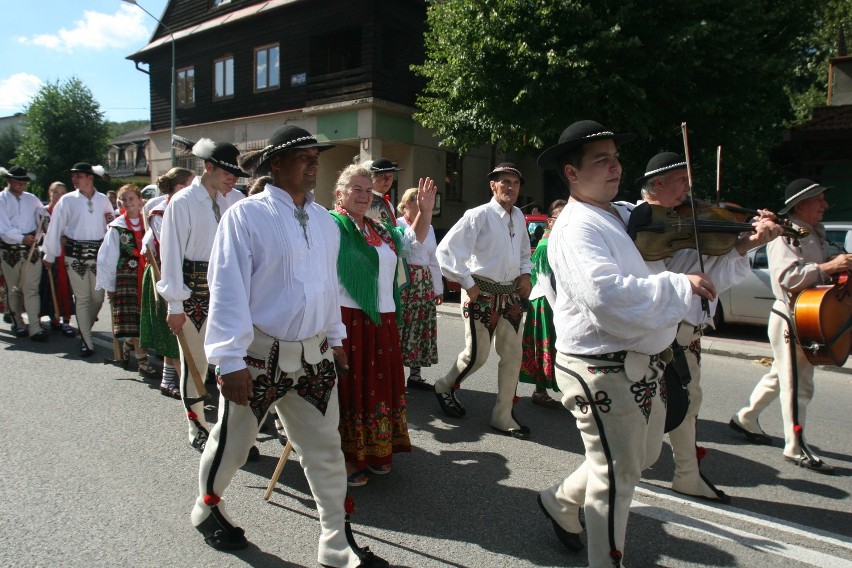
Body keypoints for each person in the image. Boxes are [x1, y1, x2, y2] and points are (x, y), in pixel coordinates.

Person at [196, 124, 390, 567]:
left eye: (315, 155)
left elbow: (327, 285)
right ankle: (207, 506)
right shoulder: (246, 216)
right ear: (275, 164)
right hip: (257, 358)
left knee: (325, 450)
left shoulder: (324, 220)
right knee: (234, 444)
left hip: (314, 354)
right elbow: (226, 289)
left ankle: (335, 540)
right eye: (302, 156)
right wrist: (227, 360)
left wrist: (336, 338)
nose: (313, 162)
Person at [535, 120, 716, 567]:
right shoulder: (577, 227)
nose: (615, 166)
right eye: (602, 160)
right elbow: (607, 297)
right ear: (572, 173)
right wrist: (679, 286)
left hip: (640, 359)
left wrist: (728, 247)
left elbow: (660, 264)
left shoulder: (617, 213)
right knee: (616, 474)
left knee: (640, 457)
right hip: (599, 364)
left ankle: (559, 500)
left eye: (615, 157)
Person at [636, 151, 782, 501]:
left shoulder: (689, 224)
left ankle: (686, 473)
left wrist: (752, 240)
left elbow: (715, 274)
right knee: (651, 406)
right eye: (682, 182)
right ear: (658, 183)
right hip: (657, 335)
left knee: (688, 403)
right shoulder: (639, 220)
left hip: (687, 335)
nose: (689, 191)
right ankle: (628, 467)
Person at [730, 179, 852, 474]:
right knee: (798, 383)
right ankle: (795, 446)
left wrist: (833, 264)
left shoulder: (809, 231)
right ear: (801, 204)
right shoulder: (786, 233)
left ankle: (746, 418)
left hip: (804, 314)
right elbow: (786, 278)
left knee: (781, 375)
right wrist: (828, 268)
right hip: (791, 316)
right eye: (819, 200)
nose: (825, 205)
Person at [331, 164, 436, 486]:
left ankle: (376, 451)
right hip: (348, 318)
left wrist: (426, 210)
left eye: (368, 191)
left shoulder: (379, 229)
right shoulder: (331, 225)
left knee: (380, 387)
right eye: (356, 190)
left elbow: (412, 244)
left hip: (384, 318)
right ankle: (346, 457)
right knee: (352, 390)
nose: (364, 196)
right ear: (340, 194)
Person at [157, 137, 250, 452]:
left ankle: (230, 429)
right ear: (208, 167)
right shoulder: (181, 202)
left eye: (235, 174)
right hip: (193, 292)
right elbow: (170, 255)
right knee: (195, 363)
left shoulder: (233, 201)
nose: (232, 179)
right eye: (227, 172)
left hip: (229, 292)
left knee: (231, 362)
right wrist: (174, 303)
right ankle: (196, 424)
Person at [434, 163, 533, 439]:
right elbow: (446, 252)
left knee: (513, 355)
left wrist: (525, 274)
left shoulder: (520, 217)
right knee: (477, 355)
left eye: (515, 182)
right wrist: (467, 282)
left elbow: (524, 253)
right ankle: (444, 385)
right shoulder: (477, 215)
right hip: (482, 292)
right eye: (505, 182)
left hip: (510, 294)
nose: (511, 187)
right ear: (493, 185)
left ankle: (503, 415)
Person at [43, 163, 114, 357]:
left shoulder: (103, 200)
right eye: (73, 176)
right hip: (74, 255)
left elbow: (112, 226)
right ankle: (87, 341)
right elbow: (55, 227)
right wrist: (49, 254)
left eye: (78, 176)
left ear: (90, 177)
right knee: (82, 298)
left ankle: (85, 329)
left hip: (98, 256)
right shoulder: (67, 200)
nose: (74, 179)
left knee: (98, 298)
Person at [140, 167, 194, 398]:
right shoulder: (161, 213)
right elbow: (173, 247)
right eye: (192, 185)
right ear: (180, 188)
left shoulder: (182, 208)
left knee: (181, 333)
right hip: (166, 275)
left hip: (182, 274)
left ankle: (170, 380)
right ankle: (186, 386)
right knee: (173, 331)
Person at [96, 184, 157, 378]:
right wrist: (110, 286)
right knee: (134, 321)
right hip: (127, 279)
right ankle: (143, 362)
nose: (128, 203)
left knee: (146, 318)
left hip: (148, 275)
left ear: (140, 201)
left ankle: (128, 343)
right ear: (119, 203)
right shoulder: (117, 228)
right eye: (124, 200)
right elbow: (107, 258)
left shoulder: (149, 223)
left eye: (132, 199)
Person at [519, 198, 566, 408]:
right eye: (559, 217)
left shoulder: (559, 241)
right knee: (545, 346)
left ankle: (546, 390)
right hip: (545, 303)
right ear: (550, 222)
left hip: (552, 302)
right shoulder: (546, 244)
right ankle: (540, 391)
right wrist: (558, 311)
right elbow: (546, 281)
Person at [396, 186, 443, 391]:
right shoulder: (397, 225)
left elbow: (433, 259)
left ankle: (415, 376)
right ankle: (395, 374)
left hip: (423, 280)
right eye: (417, 200)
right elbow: (407, 246)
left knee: (421, 325)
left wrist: (438, 288)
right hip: (403, 280)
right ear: (406, 204)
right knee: (403, 327)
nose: (423, 204)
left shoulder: (430, 227)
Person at [0, 166, 48, 341]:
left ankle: (35, 327)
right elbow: (2, 228)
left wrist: (41, 229)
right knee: (13, 289)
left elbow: (42, 216)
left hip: (31, 251)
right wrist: (21, 238)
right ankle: (18, 322)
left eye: (23, 182)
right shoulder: (1, 200)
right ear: (9, 181)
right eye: (17, 181)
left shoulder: (32, 199)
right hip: (9, 251)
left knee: (31, 289)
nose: (21, 185)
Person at [39, 181, 76, 337]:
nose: (58, 196)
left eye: (62, 193)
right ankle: (53, 316)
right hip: (50, 254)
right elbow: (38, 234)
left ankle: (66, 319)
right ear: (50, 193)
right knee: (48, 286)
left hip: (67, 254)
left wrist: (66, 239)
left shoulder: (70, 211)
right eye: (55, 192)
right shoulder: (43, 212)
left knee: (67, 287)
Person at [364, 156, 400, 227]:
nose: (387, 180)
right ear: (372, 178)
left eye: (390, 176)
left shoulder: (388, 204)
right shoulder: (365, 200)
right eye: (382, 176)